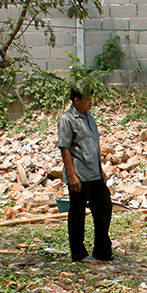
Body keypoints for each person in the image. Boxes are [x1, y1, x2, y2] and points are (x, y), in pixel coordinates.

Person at [57, 87, 113, 263]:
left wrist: (100, 169)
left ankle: (102, 251)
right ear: (76, 100)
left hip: (95, 173)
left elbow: (93, 145)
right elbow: (64, 148)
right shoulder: (67, 119)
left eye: (91, 98)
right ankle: (79, 254)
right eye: (87, 99)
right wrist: (72, 176)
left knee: (104, 207)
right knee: (77, 214)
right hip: (79, 174)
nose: (91, 102)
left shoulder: (89, 116)